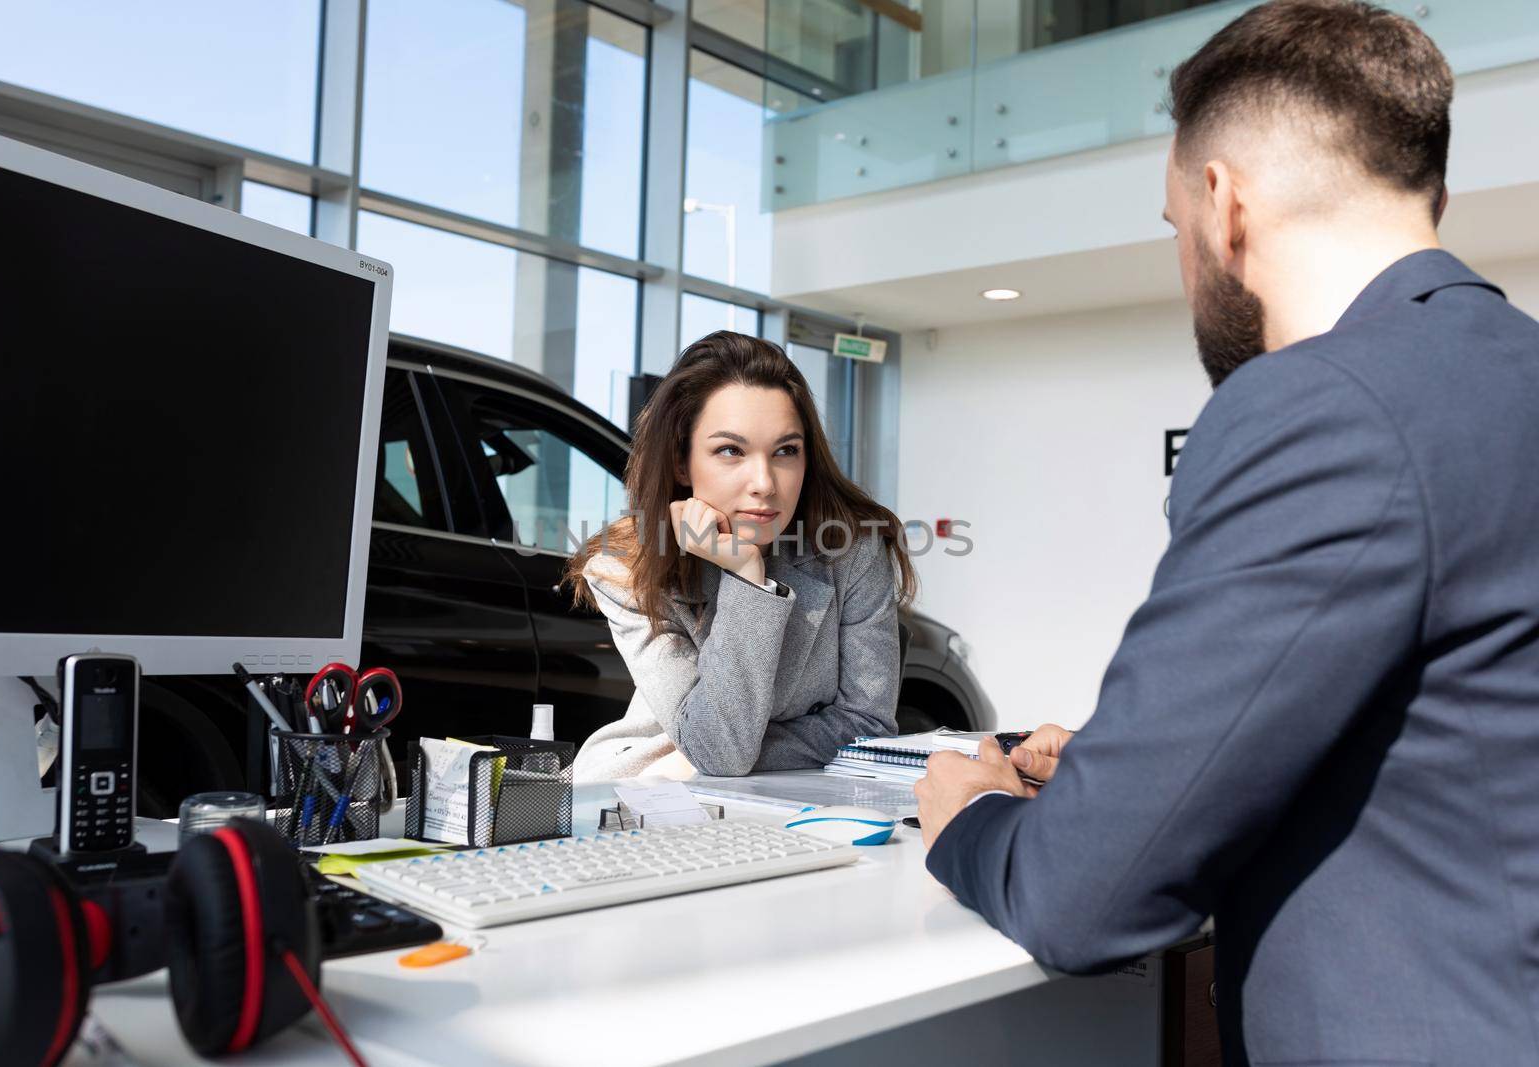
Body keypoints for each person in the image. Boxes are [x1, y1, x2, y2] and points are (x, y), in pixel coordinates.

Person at [915, 2, 1539, 1063]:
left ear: (1221, 201)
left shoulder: (1318, 403)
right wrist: (1138, 768)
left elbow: (1082, 899)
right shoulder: (1508, 376)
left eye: (1172, 229)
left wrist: (971, 814)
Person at [563, 331, 915, 782]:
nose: (765, 483)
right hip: (647, 788)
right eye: (731, 450)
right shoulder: (623, 572)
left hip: (708, 774)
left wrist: (703, 755)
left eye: (786, 451)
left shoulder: (852, 550)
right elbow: (720, 749)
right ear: (679, 462)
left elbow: (869, 724)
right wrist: (748, 577)